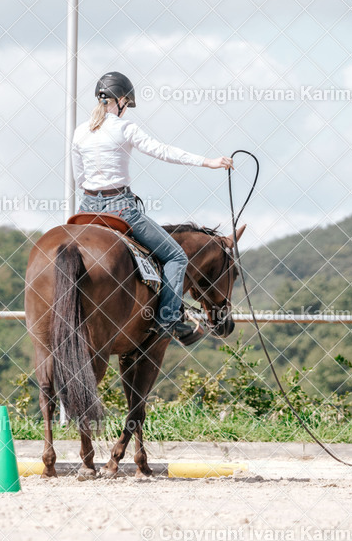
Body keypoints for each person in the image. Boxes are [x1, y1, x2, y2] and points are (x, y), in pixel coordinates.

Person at [72, 71, 233, 346]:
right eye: (126, 104)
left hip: (86, 208)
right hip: (120, 209)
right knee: (176, 257)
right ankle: (168, 319)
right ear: (121, 101)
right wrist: (209, 162)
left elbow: (79, 178)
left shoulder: (80, 131)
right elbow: (164, 151)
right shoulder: (125, 128)